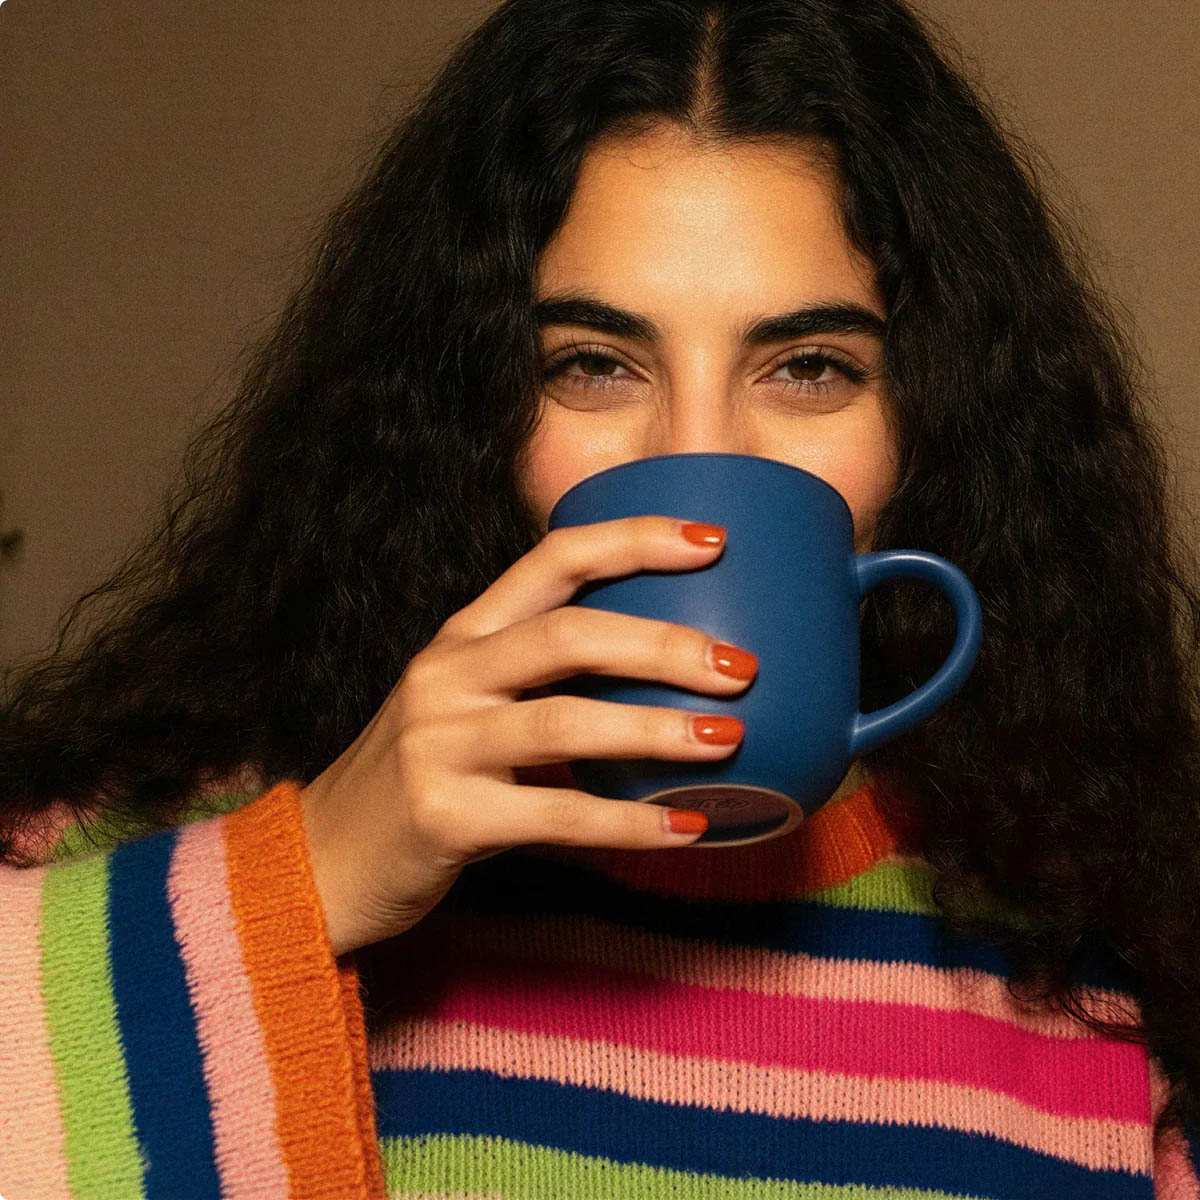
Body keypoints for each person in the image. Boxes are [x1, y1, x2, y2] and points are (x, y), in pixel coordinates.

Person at [2, 0, 1198, 1195]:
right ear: (469, 407)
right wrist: (303, 884)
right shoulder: (168, 855)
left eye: (810, 368)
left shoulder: (1110, 993)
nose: (695, 456)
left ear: (934, 423)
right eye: (592, 364)